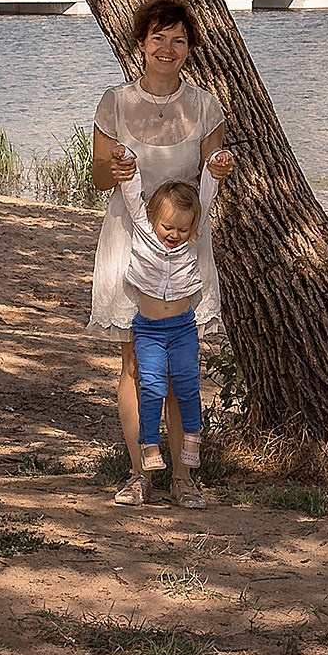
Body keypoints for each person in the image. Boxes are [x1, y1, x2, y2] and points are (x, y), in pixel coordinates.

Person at [90, 0, 235, 506]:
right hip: (129, 246)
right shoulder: (114, 102)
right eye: (159, 38)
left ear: (190, 48)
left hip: (184, 249)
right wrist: (115, 169)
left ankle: (184, 479)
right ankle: (140, 476)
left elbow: (212, 171)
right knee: (134, 364)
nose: (168, 48)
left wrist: (221, 167)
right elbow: (97, 177)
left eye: (179, 39)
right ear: (141, 43)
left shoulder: (205, 106)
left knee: (179, 368)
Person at [117, 159, 226, 502]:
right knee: (151, 387)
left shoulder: (189, 241)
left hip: (182, 328)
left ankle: (190, 445)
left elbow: (206, 197)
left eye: (182, 229)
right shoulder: (143, 230)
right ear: (153, 219)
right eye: (167, 227)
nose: (174, 235)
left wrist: (214, 168)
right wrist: (126, 160)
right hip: (148, 330)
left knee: (187, 385)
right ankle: (149, 449)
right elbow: (132, 192)